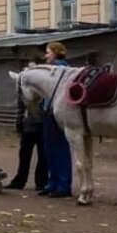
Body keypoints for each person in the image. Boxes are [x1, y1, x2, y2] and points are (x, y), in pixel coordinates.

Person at [41, 41, 73, 198]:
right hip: (49, 110)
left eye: (47, 52)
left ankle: (62, 184)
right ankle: (54, 182)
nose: (45, 55)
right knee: (50, 149)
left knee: (58, 148)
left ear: (55, 52)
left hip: (56, 111)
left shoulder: (60, 69)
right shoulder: (51, 69)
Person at [6, 70, 47, 192]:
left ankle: (40, 181)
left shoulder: (42, 88)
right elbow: (20, 107)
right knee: (25, 154)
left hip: (40, 125)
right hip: (29, 125)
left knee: (42, 155)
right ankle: (23, 180)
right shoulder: (24, 89)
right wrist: (19, 125)